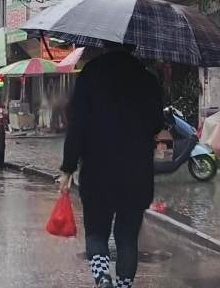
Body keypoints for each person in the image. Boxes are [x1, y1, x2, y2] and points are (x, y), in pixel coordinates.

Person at [59, 44, 163, 288]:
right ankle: (123, 285)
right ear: (134, 46)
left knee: (96, 233)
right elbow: (157, 123)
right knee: (127, 238)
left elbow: (77, 126)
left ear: (104, 44)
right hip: (137, 173)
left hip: (98, 171)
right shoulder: (147, 78)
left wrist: (68, 167)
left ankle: (103, 279)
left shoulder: (90, 74)